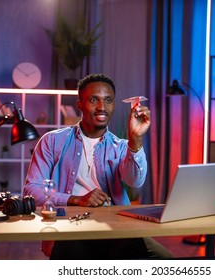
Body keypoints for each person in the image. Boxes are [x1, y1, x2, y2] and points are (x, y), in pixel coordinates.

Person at [23, 73, 159, 259]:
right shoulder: (52, 141)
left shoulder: (120, 147)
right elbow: (31, 191)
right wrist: (76, 199)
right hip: (69, 226)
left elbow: (135, 182)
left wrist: (135, 140)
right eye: (94, 100)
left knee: (155, 256)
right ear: (80, 105)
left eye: (108, 100)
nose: (102, 107)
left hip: (115, 227)